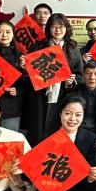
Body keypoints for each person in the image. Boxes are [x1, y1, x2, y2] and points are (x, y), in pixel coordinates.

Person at [26, 13, 83, 146]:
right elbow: (28, 74)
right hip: (40, 97)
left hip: (62, 98)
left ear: (66, 28)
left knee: (57, 137)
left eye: (61, 26)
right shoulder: (38, 46)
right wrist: (25, 68)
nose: (57, 30)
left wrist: (70, 82)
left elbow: (79, 75)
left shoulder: (72, 48)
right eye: (54, 26)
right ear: (48, 28)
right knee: (37, 136)